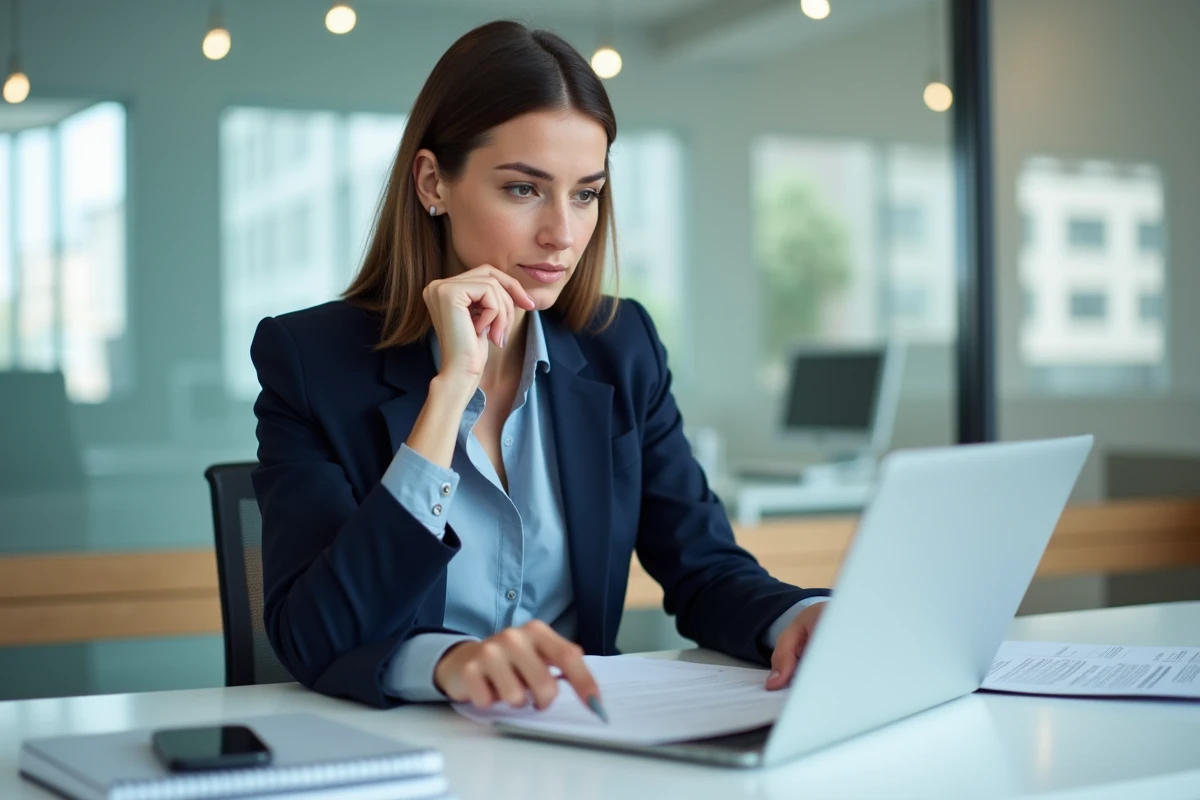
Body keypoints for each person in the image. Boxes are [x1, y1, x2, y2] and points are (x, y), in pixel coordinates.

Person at [250, 20, 830, 712]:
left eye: (585, 193)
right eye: (524, 189)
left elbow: (703, 567)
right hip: (406, 748)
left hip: (587, 745)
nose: (562, 233)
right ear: (433, 181)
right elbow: (315, 634)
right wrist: (448, 395)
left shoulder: (623, 346)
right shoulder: (311, 362)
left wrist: (797, 617)